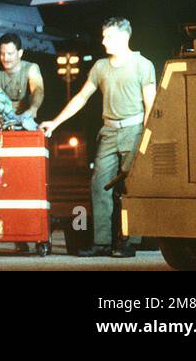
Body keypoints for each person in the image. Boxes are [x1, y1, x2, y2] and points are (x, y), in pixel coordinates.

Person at [41, 16, 155, 258]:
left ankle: (128, 241)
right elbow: (81, 97)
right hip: (109, 131)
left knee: (131, 188)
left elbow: (150, 105)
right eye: (103, 36)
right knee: (99, 184)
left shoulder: (142, 64)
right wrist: (55, 122)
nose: (104, 41)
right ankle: (102, 241)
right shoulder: (100, 67)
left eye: (109, 36)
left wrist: (145, 139)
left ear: (125, 37)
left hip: (134, 131)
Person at [0, 32, 45, 124]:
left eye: (10, 54)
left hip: (23, 120)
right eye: (2, 54)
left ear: (20, 53)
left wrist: (33, 109)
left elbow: (38, 89)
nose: (6, 58)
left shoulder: (31, 68)